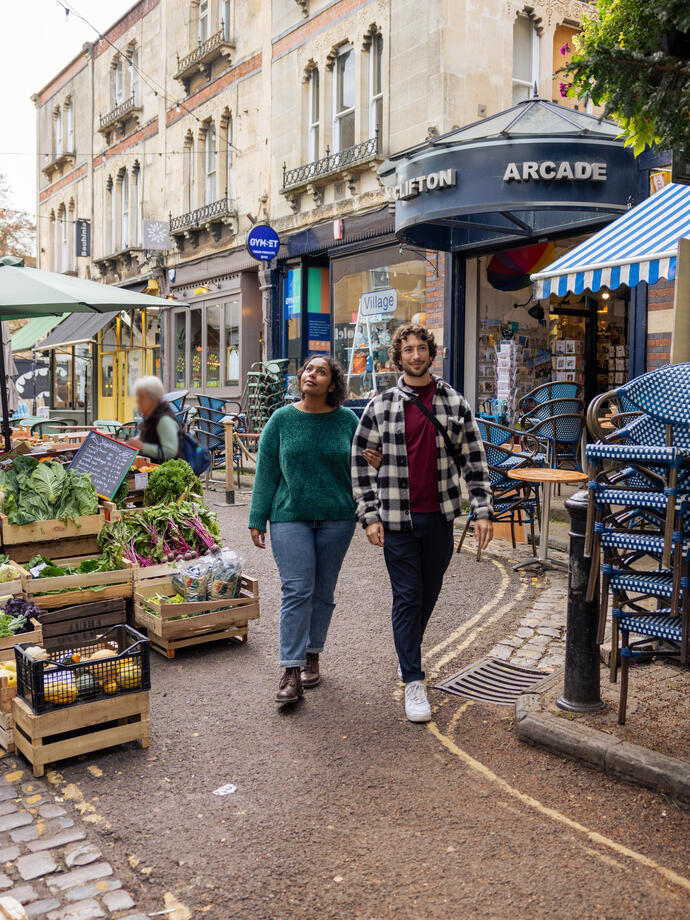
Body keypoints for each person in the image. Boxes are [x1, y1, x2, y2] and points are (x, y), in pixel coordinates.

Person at [352, 323, 493, 724]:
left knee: (428, 594)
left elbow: (474, 460)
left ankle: (406, 651)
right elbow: (360, 464)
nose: (415, 356)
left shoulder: (453, 401)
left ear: (432, 354)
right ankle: (413, 679)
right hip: (396, 519)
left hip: (439, 518)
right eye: (408, 350)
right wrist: (369, 516)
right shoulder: (380, 405)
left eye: (421, 349)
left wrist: (482, 509)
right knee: (408, 596)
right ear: (398, 357)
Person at [249, 355, 376, 704]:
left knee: (323, 590)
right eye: (308, 369)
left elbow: (365, 463)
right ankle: (290, 670)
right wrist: (257, 517)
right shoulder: (281, 420)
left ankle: (312, 654)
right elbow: (266, 471)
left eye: (321, 372)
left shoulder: (348, 420)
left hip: (336, 517)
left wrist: (375, 460)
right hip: (290, 515)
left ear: (332, 384)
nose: (312, 375)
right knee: (297, 589)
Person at [127, 376, 183, 461]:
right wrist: (137, 440)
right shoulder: (151, 417)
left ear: (154, 400)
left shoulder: (164, 420)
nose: (138, 401)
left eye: (142, 398)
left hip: (165, 471)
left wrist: (142, 446)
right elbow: (147, 436)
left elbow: (170, 451)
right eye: (138, 397)